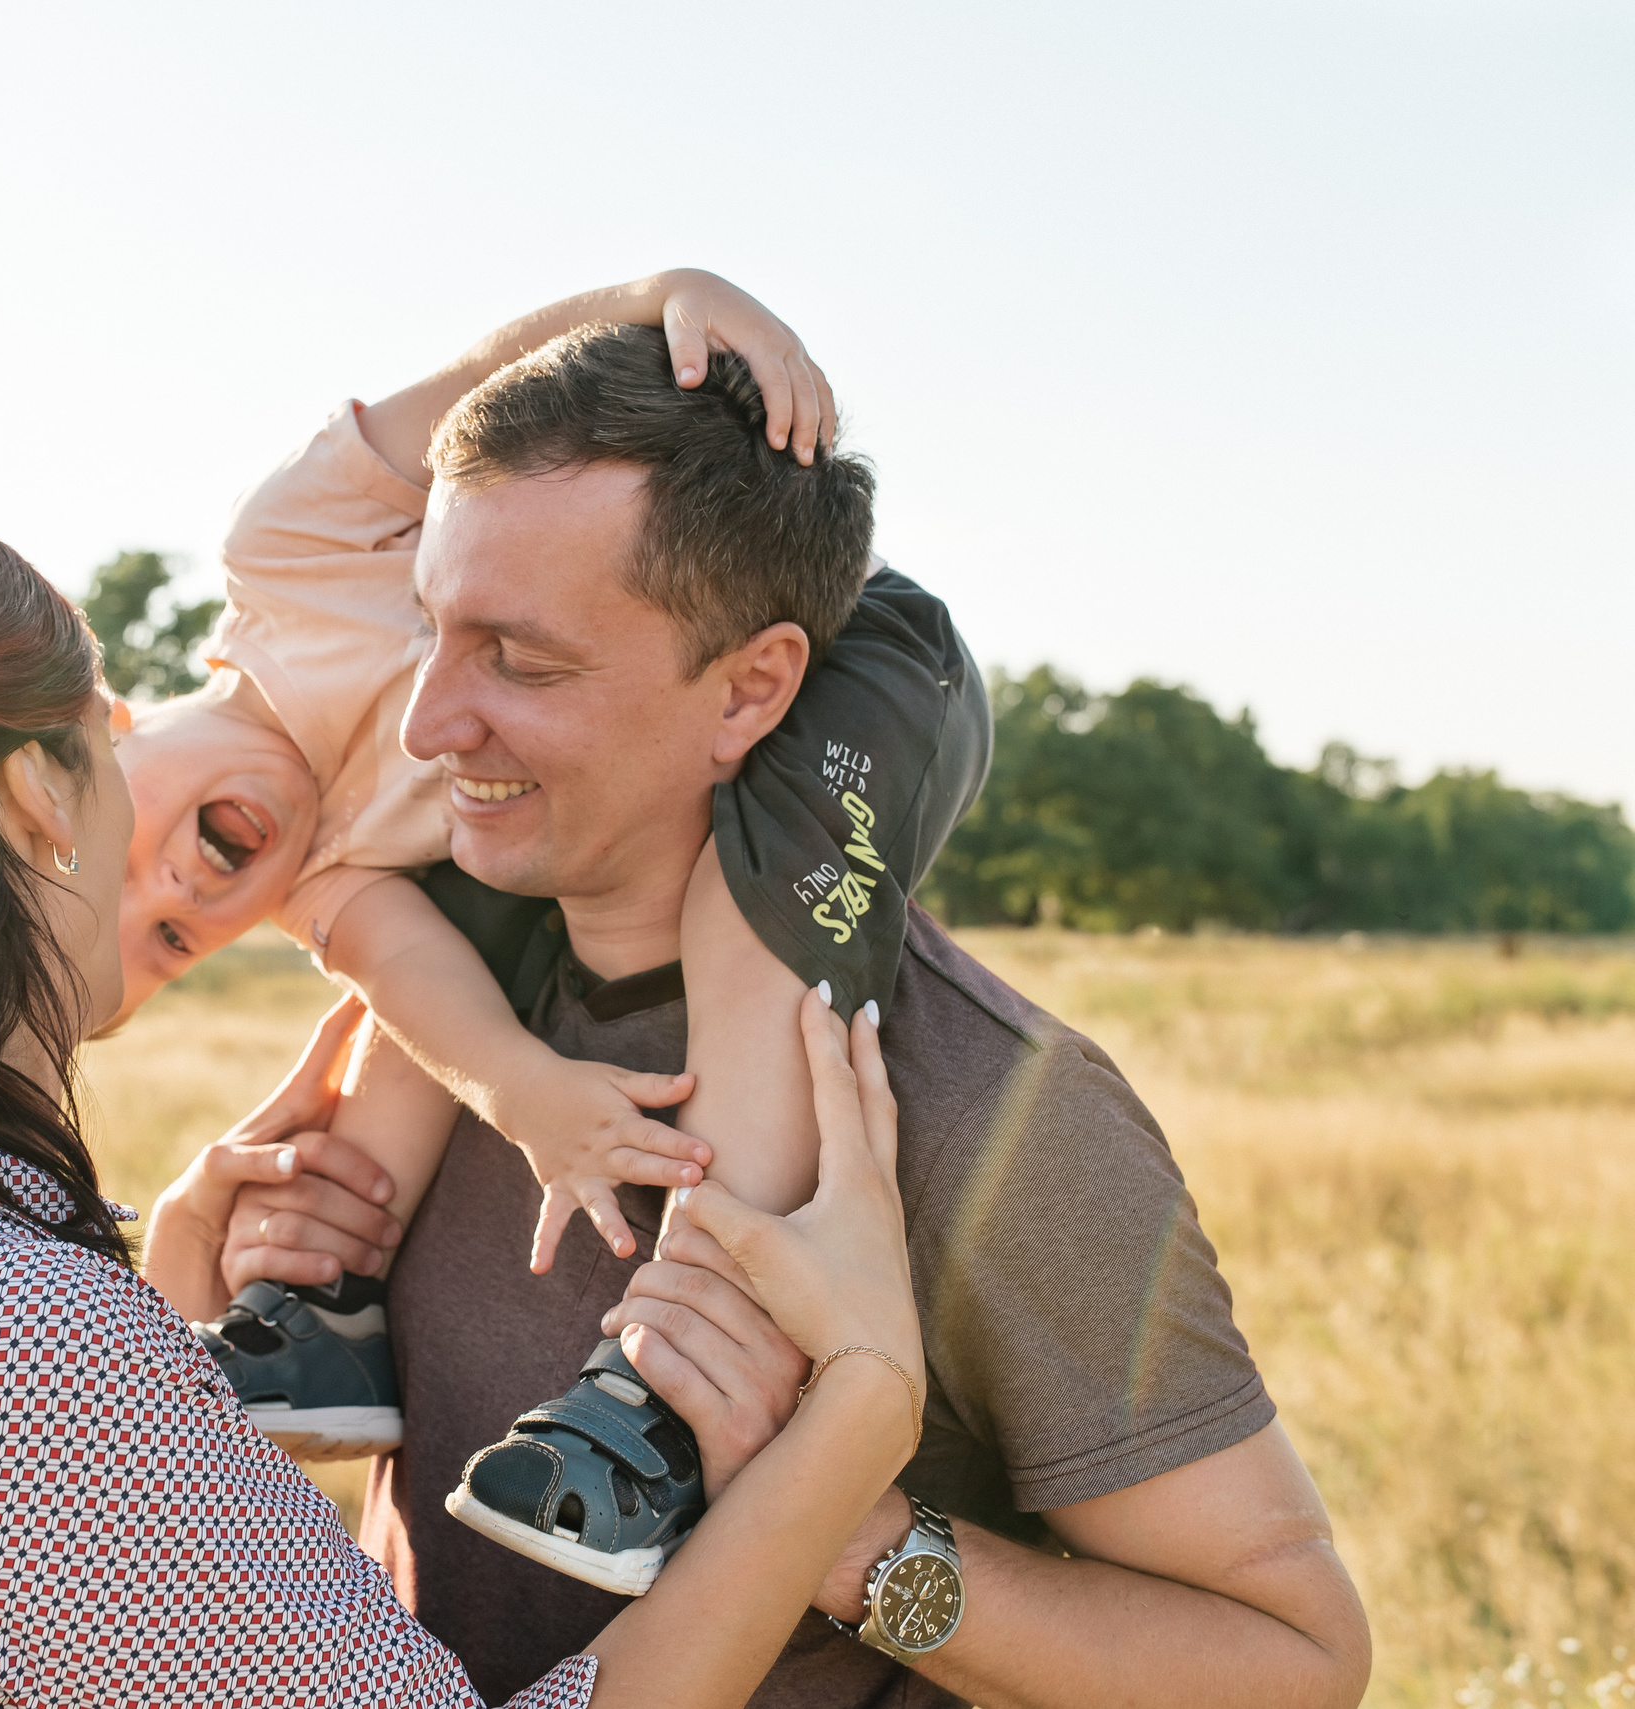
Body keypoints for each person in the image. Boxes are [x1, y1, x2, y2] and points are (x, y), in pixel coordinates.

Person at [0, 506, 933, 1706]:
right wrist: (858, 1415)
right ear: (36, 789)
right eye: (102, 742)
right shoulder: (6, 1340)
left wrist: (161, 1326)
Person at [178, 334, 1376, 1706]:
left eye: (520, 661)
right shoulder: (438, 1025)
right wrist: (198, 1294)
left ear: (751, 687)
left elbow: (1295, 1664)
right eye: (432, 630)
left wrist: (832, 1528)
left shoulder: (985, 1112)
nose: (428, 725)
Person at [120, 276, 986, 1563]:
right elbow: (425, 991)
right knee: (406, 980)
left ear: (107, 724)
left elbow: (479, 401)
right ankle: (322, 1312)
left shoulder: (286, 554)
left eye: (120, 855)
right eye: (168, 946)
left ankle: (672, 1383)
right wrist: (529, 1090)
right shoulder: (331, 872)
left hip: (861, 647)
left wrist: (654, 295)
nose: (172, 895)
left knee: (748, 916)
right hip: (568, 772)